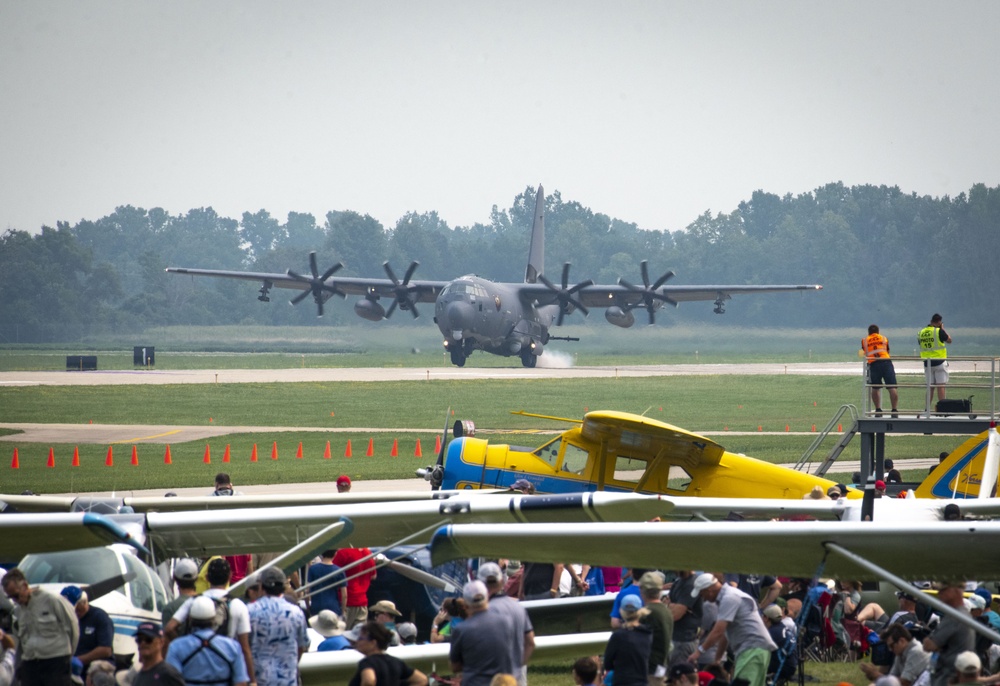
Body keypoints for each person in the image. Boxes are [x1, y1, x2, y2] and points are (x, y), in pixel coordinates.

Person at [165, 557, 255, 683]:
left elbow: (169, 628)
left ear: (207, 577)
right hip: (224, 668)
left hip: (194, 665)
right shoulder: (237, 605)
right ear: (230, 576)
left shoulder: (195, 601)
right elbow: (245, 648)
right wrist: (253, 681)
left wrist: (184, 643)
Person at [688, 573, 776, 686]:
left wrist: (698, 652)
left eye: (701, 593)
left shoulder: (729, 598)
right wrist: (717, 659)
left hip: (751, 649)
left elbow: (718, 631)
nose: (702, 597)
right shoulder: (728, 597)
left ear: (709, 590)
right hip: (756, 648)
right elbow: (725, 633)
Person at [2, 567, 79, 686]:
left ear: (25, 586)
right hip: (31, 662)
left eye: (16, 596)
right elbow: (22, 641)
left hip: (55, 660)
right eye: (11, 597)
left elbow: (73, 626)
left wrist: (68, 655)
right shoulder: (18, 611)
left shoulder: (52, 600)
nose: (15, 600)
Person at [166, 596, 248, 686]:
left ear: (190, 619)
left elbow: (171, 681)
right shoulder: (233, 647)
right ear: (214, 619)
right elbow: (240, 682)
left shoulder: (176, 647)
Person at [247, 567, 309, 686]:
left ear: (261, 586)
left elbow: (244, 647)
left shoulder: (250, 611)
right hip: (288, 680)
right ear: (284, 586)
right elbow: (302, 646)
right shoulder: (296, 612)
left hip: (260, 680)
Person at [478, 562, 535, 686]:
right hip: (516, 672)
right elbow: (530, 642)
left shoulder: (480, 612)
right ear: (501, 582)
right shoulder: (518, 608)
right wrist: (519, 666)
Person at [450, 580, 516, 686]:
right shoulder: (506, 622)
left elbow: (455, 666)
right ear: (486, 599)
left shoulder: (461, 629)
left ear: (466, 604)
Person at [922, 581, 974, 686]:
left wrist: (937, 645)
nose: (939, 593)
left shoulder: (954, 617)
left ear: (954, 591)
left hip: (948, 678)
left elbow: (928, 645)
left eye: (942, 590)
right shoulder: (961, 613)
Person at [346, 621, 427, 686]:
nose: (357, 641)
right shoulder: (396, 662)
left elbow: (369, 681)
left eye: (361, 638)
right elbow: (422, 680)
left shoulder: (367, 662)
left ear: (373, 643)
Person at [61, 585, 113, 679]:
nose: (74, 611)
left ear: (84, 602)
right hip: (73, 671)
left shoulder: (100, 617)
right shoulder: (67, 619)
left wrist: (79, 660)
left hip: (97, 671)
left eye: (76, 607)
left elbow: (106, 650)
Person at [211, 475, 253, 584]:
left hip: (219, 539)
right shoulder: (241, 496)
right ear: (230, 485)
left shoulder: (209, 498)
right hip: (238, 538)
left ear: (216, 485)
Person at [603, 594, 653, 686]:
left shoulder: (618, 636)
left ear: (622, 611)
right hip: (642, 681)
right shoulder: (648, 634)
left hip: (622, 681)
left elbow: (608, 663)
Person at [637, 572, 672, 686]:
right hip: (662, 665)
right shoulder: (666, 610)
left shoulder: (646, 612)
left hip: (649, 668)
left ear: (642, 590)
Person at [332, 547, 376, 628]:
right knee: (359, 637)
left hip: (345, 603)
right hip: (362, 603)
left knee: (340, 634)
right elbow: (373, 576)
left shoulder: (343, 553)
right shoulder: (367, 552)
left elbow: (331, 575)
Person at [131, 621, 185, 686]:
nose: (143, 643)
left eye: (148, 639)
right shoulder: (137, 677)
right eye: (139, 640)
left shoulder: (168, 674)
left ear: (161, 642)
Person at [863, 324, 900, 417]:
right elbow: (887, 350)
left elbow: (864, 352)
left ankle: (878, 410)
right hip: (886, 362)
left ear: (869, 332)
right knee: (892, 387)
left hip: (873, 364)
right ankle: (894, 410)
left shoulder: (864, 340)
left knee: (875, 387)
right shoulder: (884, 338)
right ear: (878, 332)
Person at [667, 571, 702, 667]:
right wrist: (670, 605)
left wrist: (669, 606)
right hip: (674, 639)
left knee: (680, 677)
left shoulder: (692, 584)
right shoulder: (678, 583)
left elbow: (676, 615)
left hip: (684, 640)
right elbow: (665, 601)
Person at [918, 314, 952, 404]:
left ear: (931, 321)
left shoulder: (921, 332)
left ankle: (927, 409)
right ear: (939, 322)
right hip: (939, 362)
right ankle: (942, 409)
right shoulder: (938, 331)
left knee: (930, 387)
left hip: (927, 363)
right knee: (941, 386)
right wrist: (942, 329)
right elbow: (949, 340)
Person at [162, 559, 200, 625]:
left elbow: (167, 633)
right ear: (196, 579)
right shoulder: (208, 603)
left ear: (175, 578)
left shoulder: (170, 608)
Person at [306, 550, 343, 617]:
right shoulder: (338, 570)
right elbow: (344, 595)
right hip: (333, 607)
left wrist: (308, 606)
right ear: (335, 554)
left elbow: (307, 591)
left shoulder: (313, 569)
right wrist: (343, 610)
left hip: (316, 607)